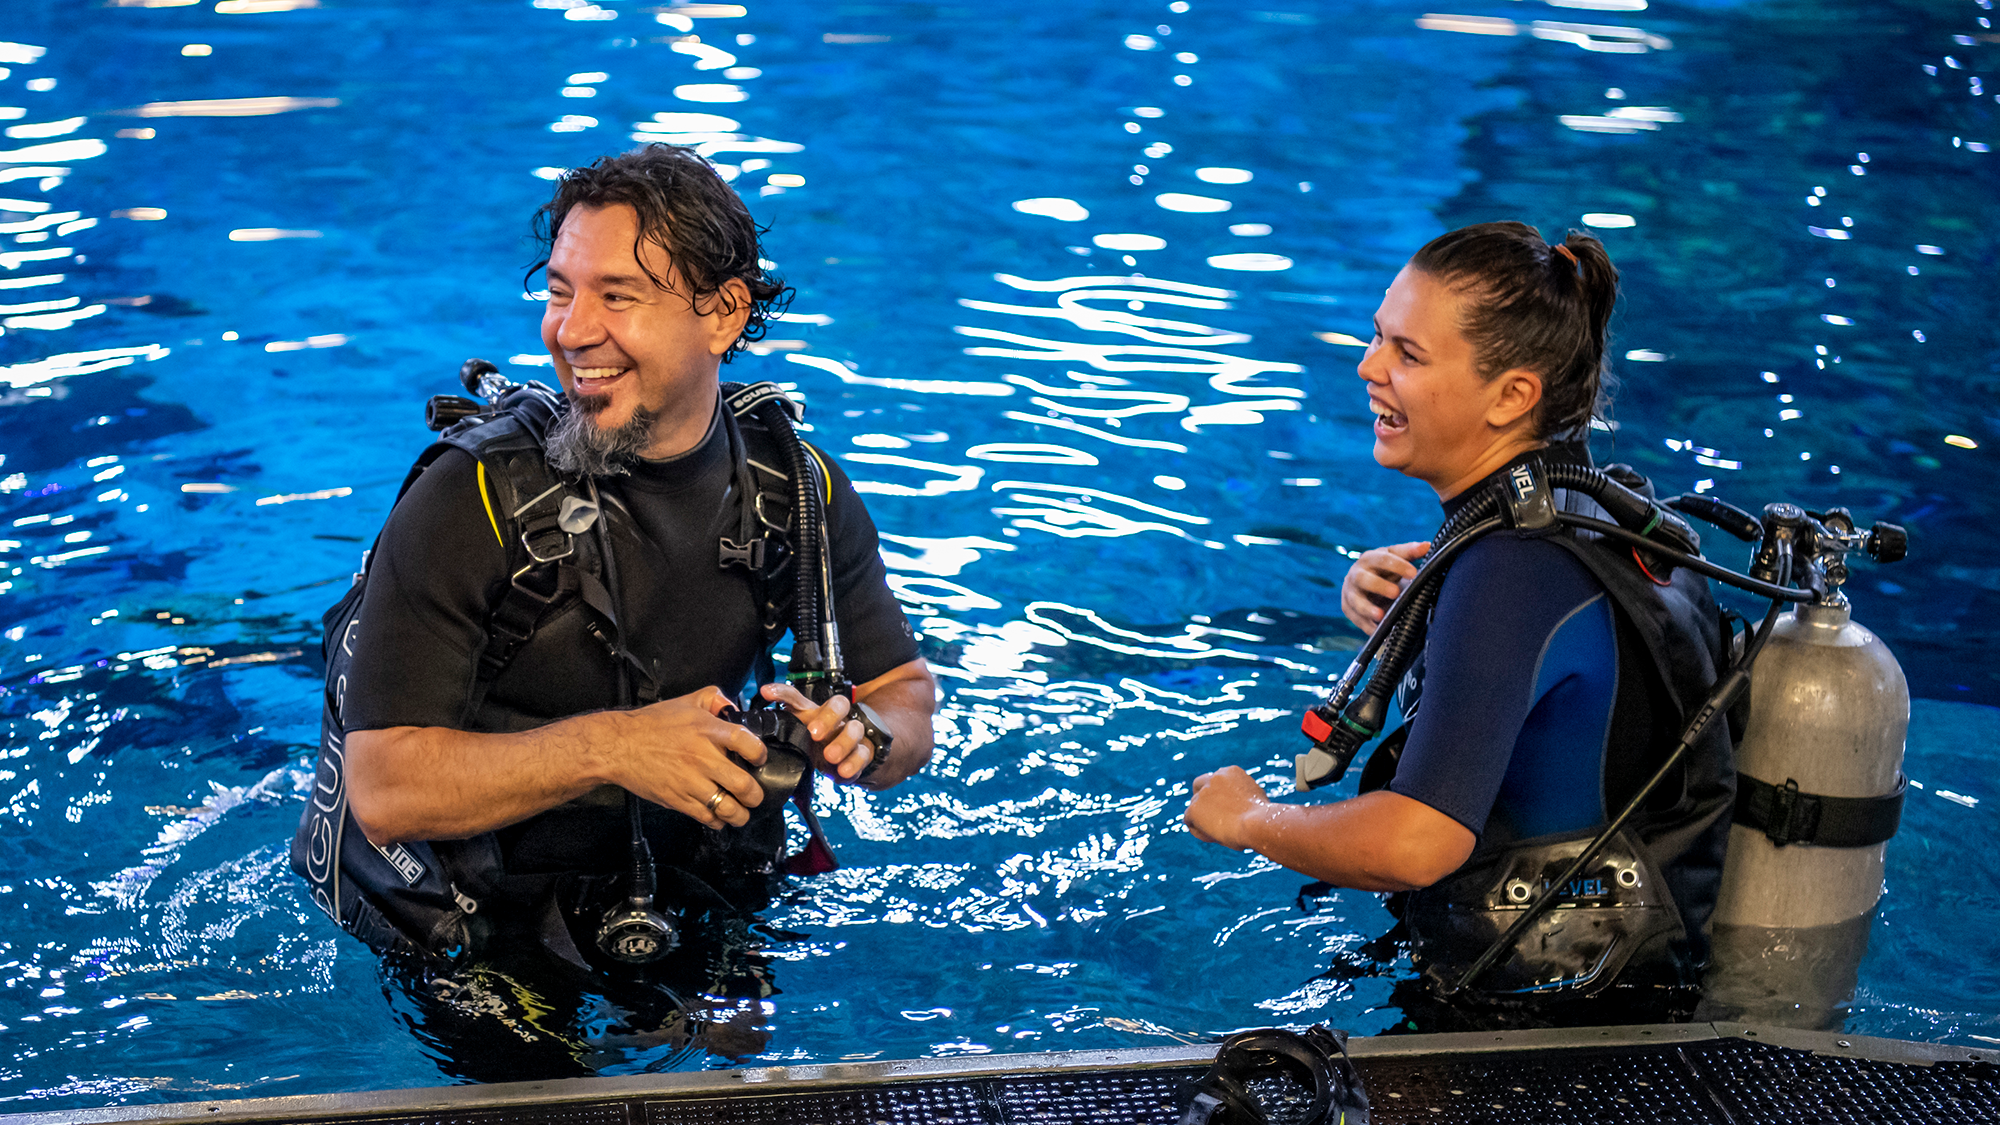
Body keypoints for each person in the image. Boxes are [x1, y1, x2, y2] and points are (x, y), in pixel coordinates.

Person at [296, 145, 936, 1072]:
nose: (572, 331)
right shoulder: (469, 502)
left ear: (724, 313)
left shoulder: (793, 490)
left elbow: (903, 690)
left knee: (748, 1078)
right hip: (470, 923)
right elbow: (388, 789)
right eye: (560, 292)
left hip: (681, 886)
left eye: (617, 297)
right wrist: (617, 746)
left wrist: (866, 736)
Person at [1183, 222, 1735, 1030]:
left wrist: (1251, 820)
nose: (1369, 368)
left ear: (1512, 396)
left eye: (1408, 354)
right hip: (1626, 982)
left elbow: (1417, 841)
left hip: (1540, 1032)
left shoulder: (1508, 569)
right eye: (1379, 338)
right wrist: (1410, 604)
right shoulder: (1597, 510)